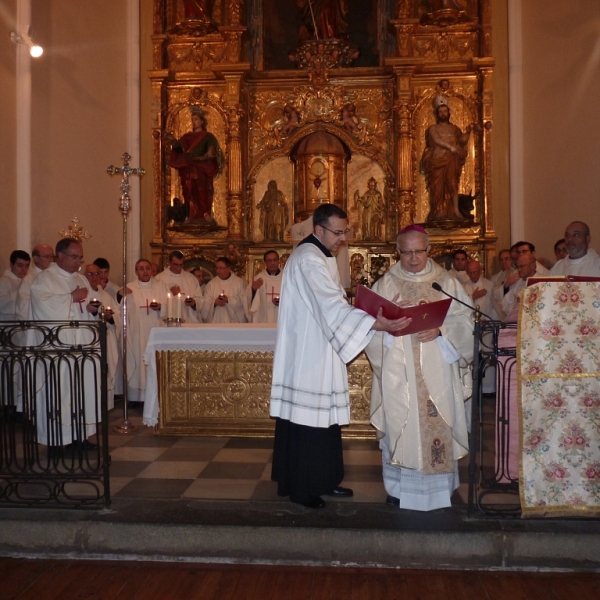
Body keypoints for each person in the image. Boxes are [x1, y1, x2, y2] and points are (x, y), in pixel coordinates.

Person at [270, 204, 411, 509]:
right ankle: (304, 489)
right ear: (318, 230)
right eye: (337, 232)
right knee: (309, 420)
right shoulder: (308, 258)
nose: (342, 238)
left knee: (324, 421)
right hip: (308, 354)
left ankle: (324, 480)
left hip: (320, 347)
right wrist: (376, 322)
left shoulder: (321, 255)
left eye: (345, 231)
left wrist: (374, 311)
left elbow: (334, 302)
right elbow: (331, 307)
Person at [365, 225, 474, 511]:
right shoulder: (386, 284)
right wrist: (387, 328)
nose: (413, 258)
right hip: (399, 373)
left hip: (438, 369)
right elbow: (369, 326)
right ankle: (399, 488)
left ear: (429, 250)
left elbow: (465, 321)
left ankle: (440, 490)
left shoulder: (446, 282)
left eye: (419, 251)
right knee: (402, 421)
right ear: (397, 252)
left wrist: (442, 332)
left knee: (436, 422)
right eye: (406, 252)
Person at [30, 238, 101, 451]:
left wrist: (93, 309)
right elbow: (43, 306)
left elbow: (92, 302)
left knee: (82, 389)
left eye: (80, 257)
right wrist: (70, 297)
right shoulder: (44, 279)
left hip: (82, 344)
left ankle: (80, 436)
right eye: (74, 256)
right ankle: (56, 442)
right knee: (60, 391)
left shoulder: (81, 279)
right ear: (59, 256)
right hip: (58, 348)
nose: (78, 261)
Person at [119, 259, 169, 407]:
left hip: (156, 330)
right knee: (138, 362)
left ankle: (156, 396)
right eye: (141, 269)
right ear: (136, 272)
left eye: (147, 268)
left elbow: (170, 305)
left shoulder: (161, 286)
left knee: (154, 361)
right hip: (136, 332)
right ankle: (136, 398)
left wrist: (161, 307)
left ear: (152, 270)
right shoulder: (129, 288)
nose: (145, 271)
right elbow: (122, 310)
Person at [164, 106, 222, 223]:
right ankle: (190, 214)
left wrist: (210, 152)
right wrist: (173, 141)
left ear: (202, 121)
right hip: (188, 169)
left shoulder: (208, 136)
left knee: (202, 191)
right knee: (189, 191)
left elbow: (211, 149)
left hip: (202, 169)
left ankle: (205, 213)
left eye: (196, 119)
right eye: (192, 119)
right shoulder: (187, 137)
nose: (194, 122)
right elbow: (179, 148)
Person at [421, 103, 474, 221]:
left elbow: (461, 142)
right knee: (437, 187)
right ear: (437, 114)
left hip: (452, 160)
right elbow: (436, 140)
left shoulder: (455, 129)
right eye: (440, 111)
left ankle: (455, 210)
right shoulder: (433, 128)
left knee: (452, 183)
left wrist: (468, 132)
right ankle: (438, 211)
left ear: (449, 113)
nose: (443, 114)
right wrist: (450, 147)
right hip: (437, 160)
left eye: (445, 111)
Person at [84, 264, 120, 411]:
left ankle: (106, 406)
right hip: (90, 340)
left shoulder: (106, 296)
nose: (94, 277)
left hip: (106, 339)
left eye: (96, 274)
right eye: (90, 274)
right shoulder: (83, 294)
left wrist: (110, 319)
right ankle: (92, 407)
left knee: (106, 370)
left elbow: (117, 315)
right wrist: (93, 314)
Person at [155, 251, 204, 323]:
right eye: (176, 265)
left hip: (188, 319)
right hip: (168, 321)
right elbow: (156, 301)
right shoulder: (159, 279)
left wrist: (193, 303)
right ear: (169, 262)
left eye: (181, 265)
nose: (178, 268)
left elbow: (199, 298)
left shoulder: (190, 278)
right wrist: (170, 292)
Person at [201, 257, 249, 323]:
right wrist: (214, 303)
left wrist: (228, 300)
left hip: (233, 324)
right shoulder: (211, 284)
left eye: (221, 268)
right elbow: (205, 301)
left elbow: (244, 300)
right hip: (216, 321)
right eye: (217, 268)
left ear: (229, 268)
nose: (218, 271)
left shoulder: (240, 283)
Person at [15, 245, 54, 320]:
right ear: (36, 258)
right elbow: (23, 307)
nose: (51, 260)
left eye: (52, 256)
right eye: (47, 256)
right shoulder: (29, 279)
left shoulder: (54, 276)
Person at [501, 254, 540, 320]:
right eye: (517, 267)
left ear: (532, 266)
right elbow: (505, 304)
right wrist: (515, 308)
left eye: (522, 266)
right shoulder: (518, 282)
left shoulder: (541, 282)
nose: (519, 269)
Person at [250, 250, 282, 324]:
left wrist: (283, 301)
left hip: (281, 317)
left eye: (274, 260)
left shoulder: (287, 278)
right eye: (269, 260)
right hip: (263, 320)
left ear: (278, 261)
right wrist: (253, 290)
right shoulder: (258, 279)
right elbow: (248, 301)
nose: (272, 263)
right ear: (265, 263)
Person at [0, 250, 30, 321]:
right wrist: (22, 292)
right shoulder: (3, 281)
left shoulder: (28, 280)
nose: (24, 269)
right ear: (11, 265)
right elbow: (1, 303)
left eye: (27, 266)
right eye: (20, 265)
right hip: (7, 324)